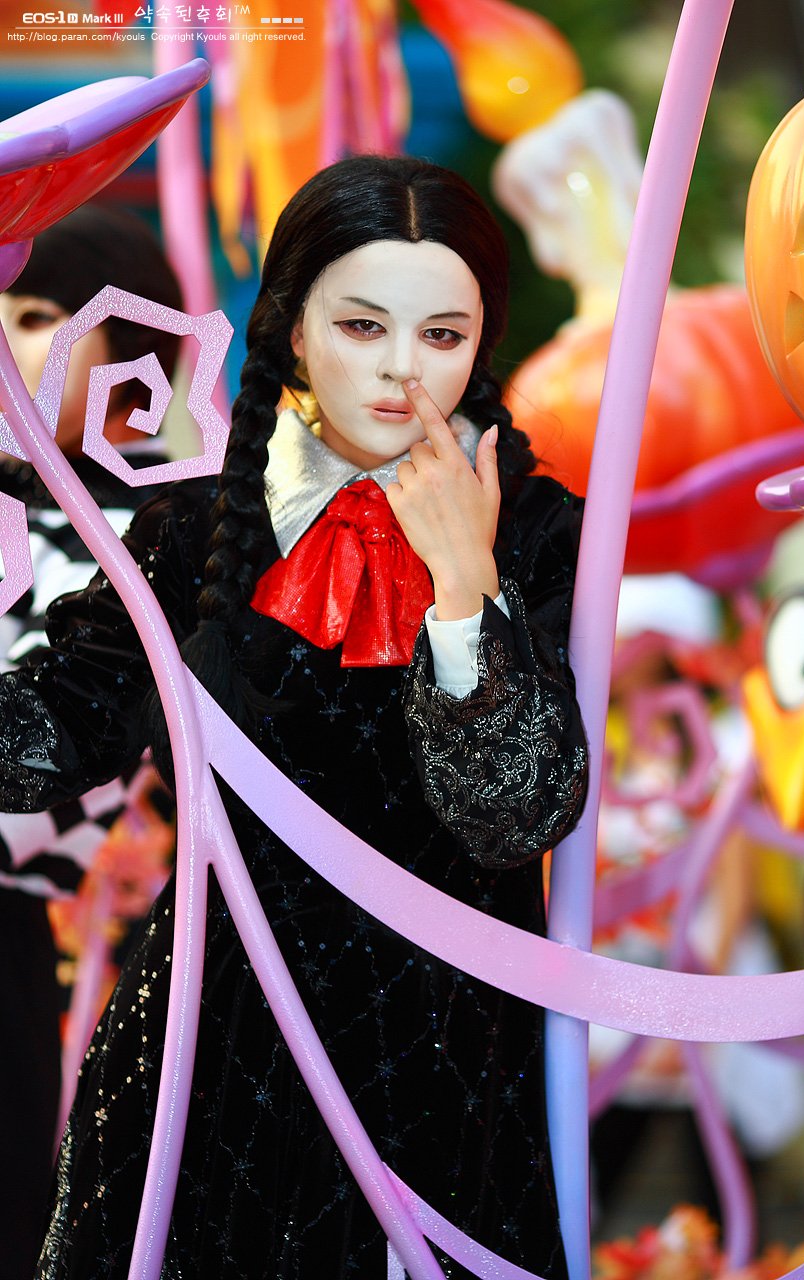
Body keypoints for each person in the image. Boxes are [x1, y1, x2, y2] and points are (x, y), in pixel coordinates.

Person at [0, 155, 588, 1278]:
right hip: (213, 1043)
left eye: (443, 334)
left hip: (450, 1062)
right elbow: (49, 740)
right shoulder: (190, 527)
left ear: (482, 343)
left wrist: (463, 581)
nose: (403, 368)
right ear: (294, 330)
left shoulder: (546, 532)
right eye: (363, 326)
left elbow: (514, 813)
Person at [0, 203, 182, 1280]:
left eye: (34, 316)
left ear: (134, 350)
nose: (2, 343)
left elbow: (40, 793)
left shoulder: (148, 535)